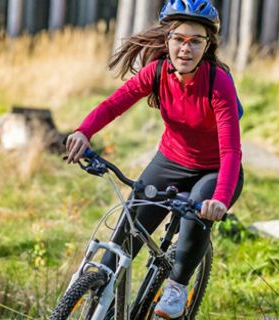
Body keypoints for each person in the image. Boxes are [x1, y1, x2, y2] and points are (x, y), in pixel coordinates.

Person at [65, 0, 244, 318]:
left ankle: (177, 287)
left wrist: (220, 199)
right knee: (120, 246)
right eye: (178, 39)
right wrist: (83, 132)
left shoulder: (219, 83)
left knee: (196, 215)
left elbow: (231, 150)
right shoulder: (157, 72)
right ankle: (101, 299)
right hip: (170, 161)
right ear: (167, 40)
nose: (185, 49)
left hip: (214, 170)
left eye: (195, 41)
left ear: (208, 45)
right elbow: (112, 105)